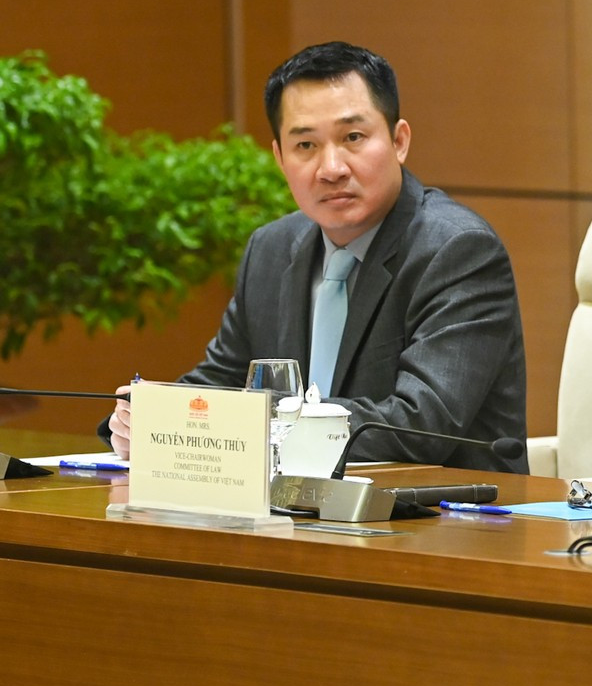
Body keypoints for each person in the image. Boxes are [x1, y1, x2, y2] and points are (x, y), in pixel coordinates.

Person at [105, 41, 528, 472]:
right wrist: (152, 418)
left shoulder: (458, 251)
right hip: (291, 518)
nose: (331, 168)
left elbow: (418, 426)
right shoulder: (271, 250)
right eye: (305, 145)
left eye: (353, 138)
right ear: (279, 158)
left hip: (434, 523)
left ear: (399, 141)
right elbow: (222, 383)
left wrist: (250, 427)